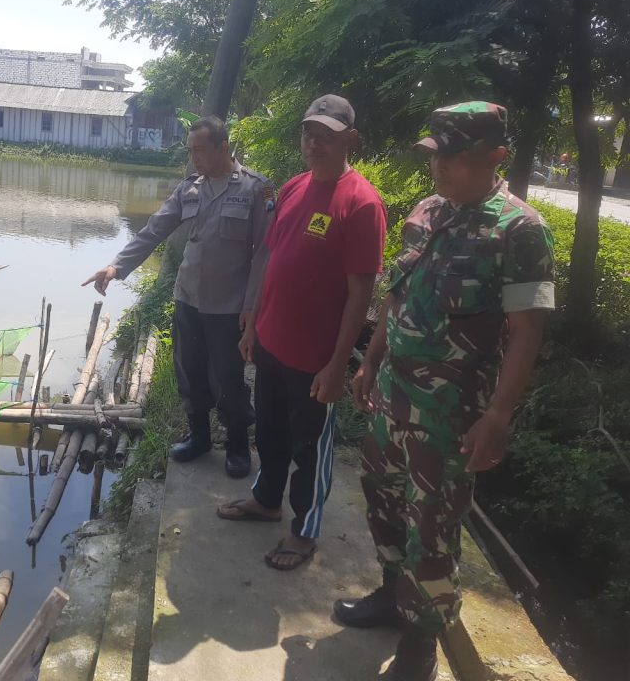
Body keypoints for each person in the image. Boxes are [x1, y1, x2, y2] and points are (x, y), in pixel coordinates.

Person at [335, 102, 555, 681]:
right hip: (390, 397)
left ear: (495, 156)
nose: (442, 167)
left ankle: (419, 647)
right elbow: (397, 297)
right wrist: (370, 360)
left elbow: (527, 329)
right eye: (438, 155)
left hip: (450, 414)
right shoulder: (426, 212)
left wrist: (499, 414)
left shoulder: (520, 229)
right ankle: (389, 596)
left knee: (431, 529)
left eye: (455, 157)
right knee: (381, 498)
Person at [216, 94, 387, 572]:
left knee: (309, 448)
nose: (313, 143)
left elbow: (361, 293)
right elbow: (271, 258)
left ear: (349, 139)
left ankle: (304, 531)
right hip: (271, 340)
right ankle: (266, 500)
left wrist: (337, 365)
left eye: (325, 136)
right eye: (308, 133)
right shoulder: (293, 187)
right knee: (269, 432)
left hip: (316, 358)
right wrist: (252, 322)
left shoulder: (362, 203)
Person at [83, 115, 272, 478]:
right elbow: (153, 230)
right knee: (191, 372)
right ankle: (198, 436)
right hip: (188, 299)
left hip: (229, 307)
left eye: (200, 150)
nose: (194, 158)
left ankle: (236, 445)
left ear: (223, 147)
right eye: (190, 151)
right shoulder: (189, 189)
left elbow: (264, 254)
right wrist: (116, 267)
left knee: (229, 378)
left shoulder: (254, 189)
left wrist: (251, 305)